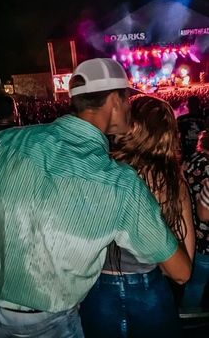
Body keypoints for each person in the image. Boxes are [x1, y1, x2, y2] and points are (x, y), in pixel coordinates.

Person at [0, 58, 191, 337]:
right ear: (115, 100)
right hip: (47, 324)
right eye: (127, 101)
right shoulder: (119, 181)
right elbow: (181, 272)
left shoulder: (8, 142)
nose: (128, 109)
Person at [80, 95, 195, 338]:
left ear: (133, 126)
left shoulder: (104, 170)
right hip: (150, 291)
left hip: (99, 291)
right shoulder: (172, 182)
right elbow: (185, 264)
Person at [182, 130, 209, 309]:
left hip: (192, 230)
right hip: (205, 237)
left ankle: (188, 315)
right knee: (198, 280)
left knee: (196, 281)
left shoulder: (192, 159)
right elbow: (205, 215)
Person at [177, 95, 205, 161]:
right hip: (200, 152)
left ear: (187, 106)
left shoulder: (181, 119)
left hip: (187, 151)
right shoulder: (204, 119)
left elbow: (176, 134)